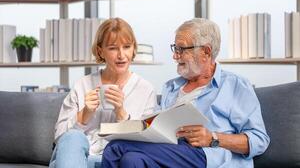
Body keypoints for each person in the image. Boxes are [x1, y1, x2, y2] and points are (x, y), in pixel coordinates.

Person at [100, 18, 270, 168]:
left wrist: (213, 138)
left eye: (181, 49)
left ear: (206, 52)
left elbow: (259, 140)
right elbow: (154, 126)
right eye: (175, 48)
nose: (175, 56)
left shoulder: (234, 85)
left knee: (116, 147)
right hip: (171, 153)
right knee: (131, 160)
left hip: (207, 157)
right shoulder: (170, 88)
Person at [49, 17, 158, 168]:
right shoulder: (83, 85)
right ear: (101, 51)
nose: (121, 55)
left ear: (133, 48)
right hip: (74, 157)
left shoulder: (145, 89)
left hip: (113, 161)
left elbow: (147, 144)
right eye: (113, 48)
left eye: (126, 46)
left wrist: (121, 113)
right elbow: (60, 139)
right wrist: (84, 115)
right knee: (73, 137)